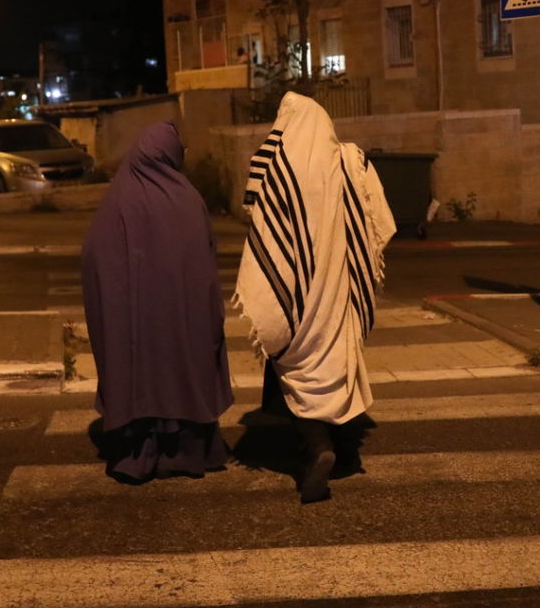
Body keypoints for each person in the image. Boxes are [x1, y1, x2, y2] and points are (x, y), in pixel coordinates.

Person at [235, 92, 396, 503]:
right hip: (343, 289)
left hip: (296, 291)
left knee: (297, 361)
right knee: (339, 359)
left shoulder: (271, 162)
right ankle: (342, 450)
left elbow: (252, 211)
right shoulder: (352, 159)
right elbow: (384, 223)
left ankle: (317, 447)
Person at [80, 121, 233, 482]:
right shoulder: (187, 198)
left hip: (133, 322)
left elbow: (93, 257)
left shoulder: (118, 197)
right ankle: (185, 450)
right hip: (181, 319)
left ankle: (139, 451)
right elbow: (204, 265)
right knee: (181, 368)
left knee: (139, 372)